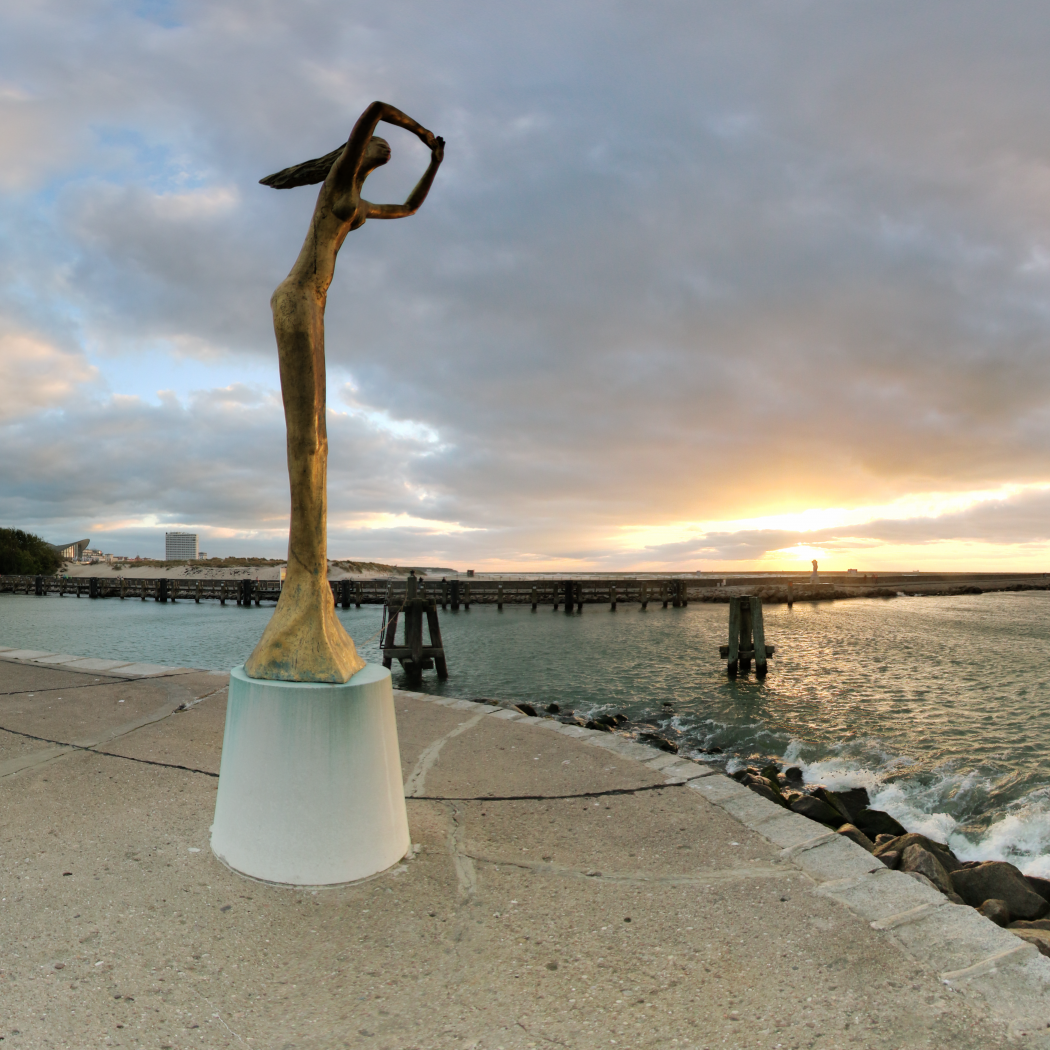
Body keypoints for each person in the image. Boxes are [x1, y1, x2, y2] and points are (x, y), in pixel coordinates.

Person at [245, 103, 444, 683]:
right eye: (378, 147)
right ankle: (302, 592)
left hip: (317, 304)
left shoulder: (358, 203)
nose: (385, 150)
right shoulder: (339, 179)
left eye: (387, 151)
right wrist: (420, 129)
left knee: (321, 442)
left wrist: (433, 161)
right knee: (305, 438)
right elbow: (376, 110)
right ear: (359, 152)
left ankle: (312, 593)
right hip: (296, 298)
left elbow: (410, 207)